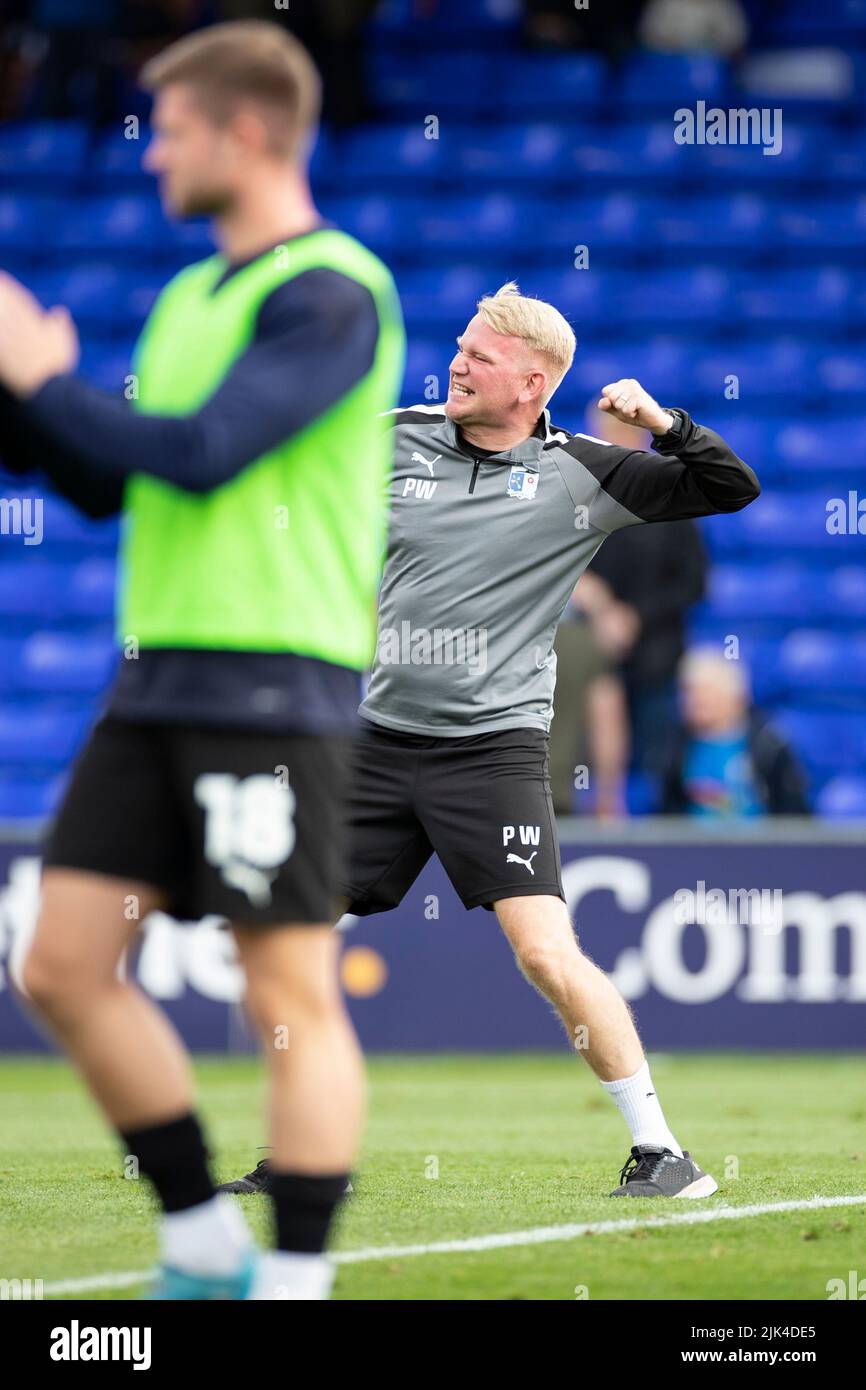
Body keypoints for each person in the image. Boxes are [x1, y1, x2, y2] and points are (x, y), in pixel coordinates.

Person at [0, 20, 404, 1299]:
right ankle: (198, 1238)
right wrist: (29, 400)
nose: (151, 155)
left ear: (241, 132)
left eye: (168, 130)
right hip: (160, 677)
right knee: (60, 963)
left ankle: (295, 1281)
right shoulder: (191, 296)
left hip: (272, 681)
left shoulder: (333, 289)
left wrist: (48, 387)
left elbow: (203, 449)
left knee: (283, 983)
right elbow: (117, 481)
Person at [224, 281, 761, 1201]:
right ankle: (305, 1155)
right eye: (461, 345)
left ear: (534, 382)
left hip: (493, 749)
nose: (457, 362)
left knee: (546, 953)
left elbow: (730, 486)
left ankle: (663, 1151)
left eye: (479, 354)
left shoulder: (584, 471)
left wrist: (662, 421)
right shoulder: (395, 435)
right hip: (381, 742)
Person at [659, 648, 811, 817]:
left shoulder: (769, 745)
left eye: (706, 692)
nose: (696, 700)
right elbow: (668, 810)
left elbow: (792, 810)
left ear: (735, 696)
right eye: (689, 692)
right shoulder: (673, 746)